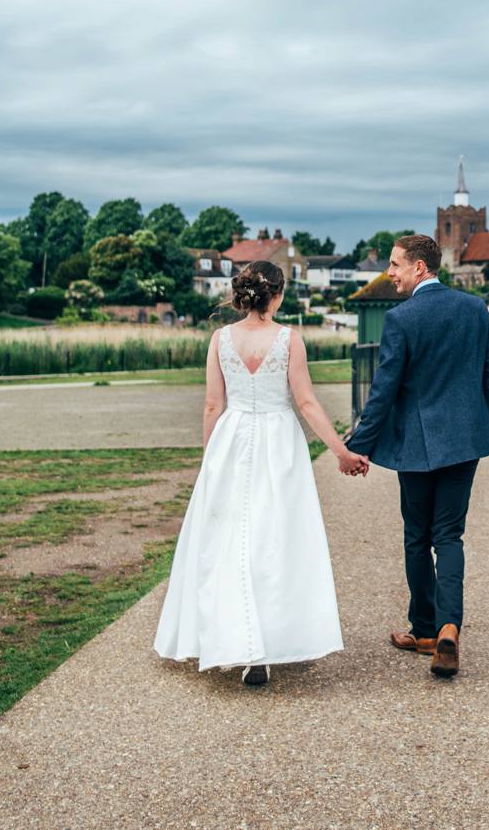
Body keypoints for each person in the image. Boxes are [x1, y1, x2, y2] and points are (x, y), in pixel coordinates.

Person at [152, 260, 368, 685]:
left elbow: (213, 404)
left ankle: (232, 638)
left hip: (231, 439)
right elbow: (306, 403)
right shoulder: (289, 339)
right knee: (274, 537)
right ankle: (264, 644)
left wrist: (209, 460)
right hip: (278, 443)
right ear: (279, 295)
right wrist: (341, 451)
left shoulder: (219, 339)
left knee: (228, 537)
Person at [345, 233, 489, 678]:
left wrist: (358, 445)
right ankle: (450, 627)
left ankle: (426, 629)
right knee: (449, 536)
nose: (389, 273)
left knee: (418, 537)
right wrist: (481, 431)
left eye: (395, 265)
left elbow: (384, 391)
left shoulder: (401, 318)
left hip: (416, 446)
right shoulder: (474, 309)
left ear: (420, 268)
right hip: (465, 442)